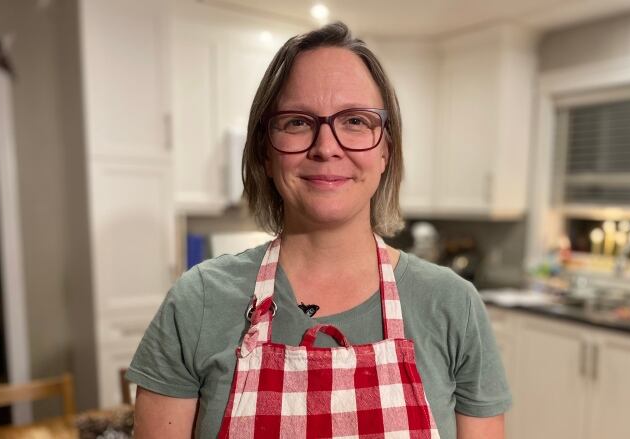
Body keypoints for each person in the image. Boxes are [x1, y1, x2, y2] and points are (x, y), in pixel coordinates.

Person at [126, 22, 511, 438]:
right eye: (297, 122)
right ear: (265, 152)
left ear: (386, 150)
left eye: (356, 121)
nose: (326, 146)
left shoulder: (453, 306)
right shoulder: (197, 303)